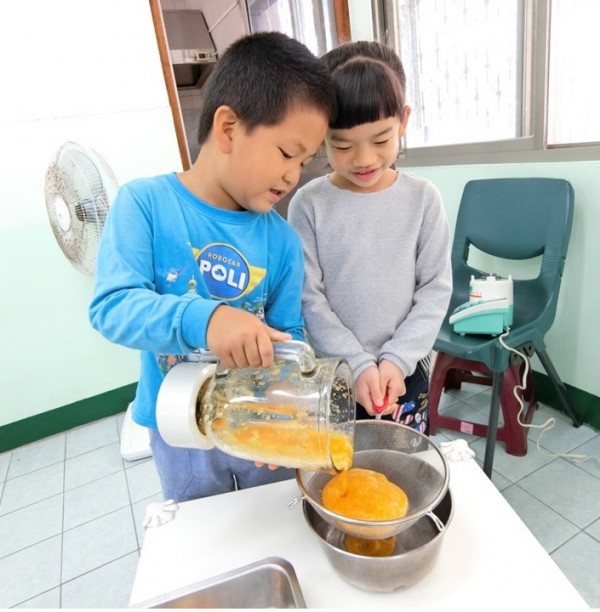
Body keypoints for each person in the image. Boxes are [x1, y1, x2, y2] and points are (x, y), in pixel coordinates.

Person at [89, 32, 336, 502]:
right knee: (201, 536)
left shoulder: (281, 241)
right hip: (182, 428)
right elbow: (112, 306)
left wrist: (285, 407)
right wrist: (210, 319)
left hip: (260, 419)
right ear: (227, 128)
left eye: (305, 162)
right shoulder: (145, 205)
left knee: (271, 522)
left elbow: (289, 334)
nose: (293, 175)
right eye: (287, 153)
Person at [287, 41, 452, 434]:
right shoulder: (308, 204)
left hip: (404, 373)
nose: (363, 159)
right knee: (339, 479)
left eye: (381, 140)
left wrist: (396, 359)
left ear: (404, 121)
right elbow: (309, 298)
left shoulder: (423, 198)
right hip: (333, 377)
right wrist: (357, 363)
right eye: (341, 145)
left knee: (405, 473)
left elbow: (434, 288)